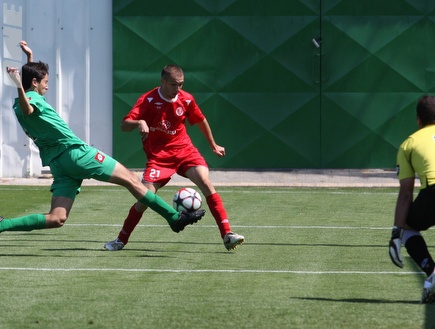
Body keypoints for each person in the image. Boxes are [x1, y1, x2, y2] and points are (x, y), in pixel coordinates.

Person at [1, 41, 205, 237]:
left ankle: (3, 225)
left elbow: (28, 91)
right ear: (34, 84)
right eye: (45, 82)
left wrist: (29, 58)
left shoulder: (18, 104)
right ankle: (174, 217)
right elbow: (29, 107)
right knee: (132, 180)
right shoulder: (29, 100)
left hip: (58, 164)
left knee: (57, 218)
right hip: (75, 154)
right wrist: (19, 84)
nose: (47, 86)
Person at [104, 64, 245, 251]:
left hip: (185, 151)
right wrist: (139, 122)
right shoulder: (148, 100)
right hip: (159, 157)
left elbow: (200, 120)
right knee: (145, 197)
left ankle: (227, 234)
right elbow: (124, 124)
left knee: (205, 182)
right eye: (173, 84)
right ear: (162, 81)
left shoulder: (186, 99)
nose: (177, 89)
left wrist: (213, 145)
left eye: (181, 84)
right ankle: (121, 239)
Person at [389, 95, 435, 303]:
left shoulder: (409, 144)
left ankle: (432, 272)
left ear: (418, 120)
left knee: (408, 227)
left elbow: (406, 192)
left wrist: (396, 233)